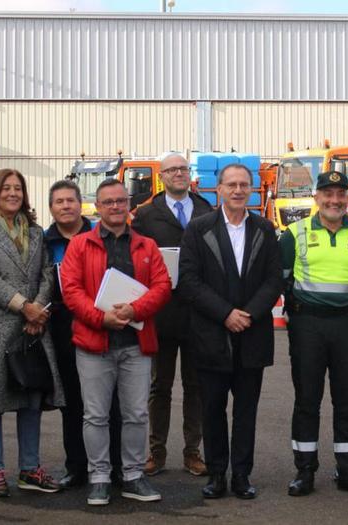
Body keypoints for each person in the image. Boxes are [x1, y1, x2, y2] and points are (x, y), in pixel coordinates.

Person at [61, 178, 173, 506]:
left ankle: (134, 476)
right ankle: (99, 477)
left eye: (120, 201)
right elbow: (71, 291)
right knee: (95, 415)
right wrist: (102, 319)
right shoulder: (80, 245)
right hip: (94, 344)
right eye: (108, 202)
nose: (115, 207)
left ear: (129, 206)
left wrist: (136, 308)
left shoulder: (147, 246)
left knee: (136, 414)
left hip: (136, 345)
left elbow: (162, 286)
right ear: (97, 207)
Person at [178, 163, 283, 500]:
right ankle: (217, 474)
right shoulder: (198, 229)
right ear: (219, 189)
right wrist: (225, 314)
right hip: (211, 335)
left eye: (244, 185)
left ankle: (241, 475)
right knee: (212, 409)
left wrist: (248, 313)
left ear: (252, 189)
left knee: (246, 411)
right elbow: (189, 282)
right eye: (232, 185)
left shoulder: (265, 229)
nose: (238, 191)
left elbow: (274, 279)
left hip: (252, 334)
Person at [0, 168, 65, 498]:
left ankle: (29, 468)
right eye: (6, 188)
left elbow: (47, 274)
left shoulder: (37, 233)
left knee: (31, 399)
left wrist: (38, 309)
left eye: (18, 189)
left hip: (33, 327)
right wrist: (25, 306)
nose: (13, 193)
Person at [280, 170, 348, 497]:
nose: (334, 200)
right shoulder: (294, 233)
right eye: (327, 194)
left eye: (340, 195)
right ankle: (304, 471)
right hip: (308, 324)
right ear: (316, 197)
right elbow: (282, 279)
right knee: (307, 399)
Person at [131, 152, 212, 477]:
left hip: (197, 313)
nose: (178, 174)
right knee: (158, 387)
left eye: (183, 169)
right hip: (161, 314)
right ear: (161, 176)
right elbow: (135, 258)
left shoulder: (207, 209)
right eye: (172, 170)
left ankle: (193, 452)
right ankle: (156, 453)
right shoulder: (147, 214)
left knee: (196, 387)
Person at [43, 179, 124, 488]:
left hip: (102, 325)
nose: (66, 206)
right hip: (62, 328)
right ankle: (77, 465)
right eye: (59, 202)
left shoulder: (99, 236)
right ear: (51, 208)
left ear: (81, 204)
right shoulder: (44, 243)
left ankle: (114, 466)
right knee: (73, 403)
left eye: (70, 200)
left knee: (110, 403)